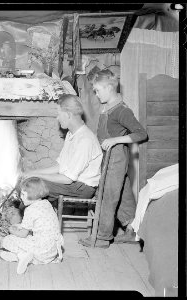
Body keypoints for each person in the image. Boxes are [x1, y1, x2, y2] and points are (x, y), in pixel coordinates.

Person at [79, 69, 148, 249]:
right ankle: (132, 229)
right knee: (124, 194)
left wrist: (116, 140)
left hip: (116, 157)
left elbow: (141, 134)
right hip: (111, 156)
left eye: (98, 90)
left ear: (109, 88)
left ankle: (102, 237)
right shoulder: (108, 107)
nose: (96, 94)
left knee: (107, 196)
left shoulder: (121, 110)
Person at [22, 94, 103, 206]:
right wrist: (32, 173)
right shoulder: (71, 134)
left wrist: (36, 176)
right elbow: (60, 167)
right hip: (73, 184)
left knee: (32, 186)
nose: (57, 118)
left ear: (68, 115)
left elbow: (68, 179)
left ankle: (37, 219)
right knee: (31, 182)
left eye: (59, 114)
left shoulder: (85, 140)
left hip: (81, 188)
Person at [0, 177, 64, 274]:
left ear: (32, 194)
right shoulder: (46, 204)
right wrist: (21, 225)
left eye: (23, 194)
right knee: (32, 239)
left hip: (40, 250)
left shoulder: (30, 210)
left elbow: (23, 234)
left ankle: (21, 256)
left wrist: (11, 230)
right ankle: (24, 257)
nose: (20, 197)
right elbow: (38, 223)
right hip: (52, 251)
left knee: (7, 240)